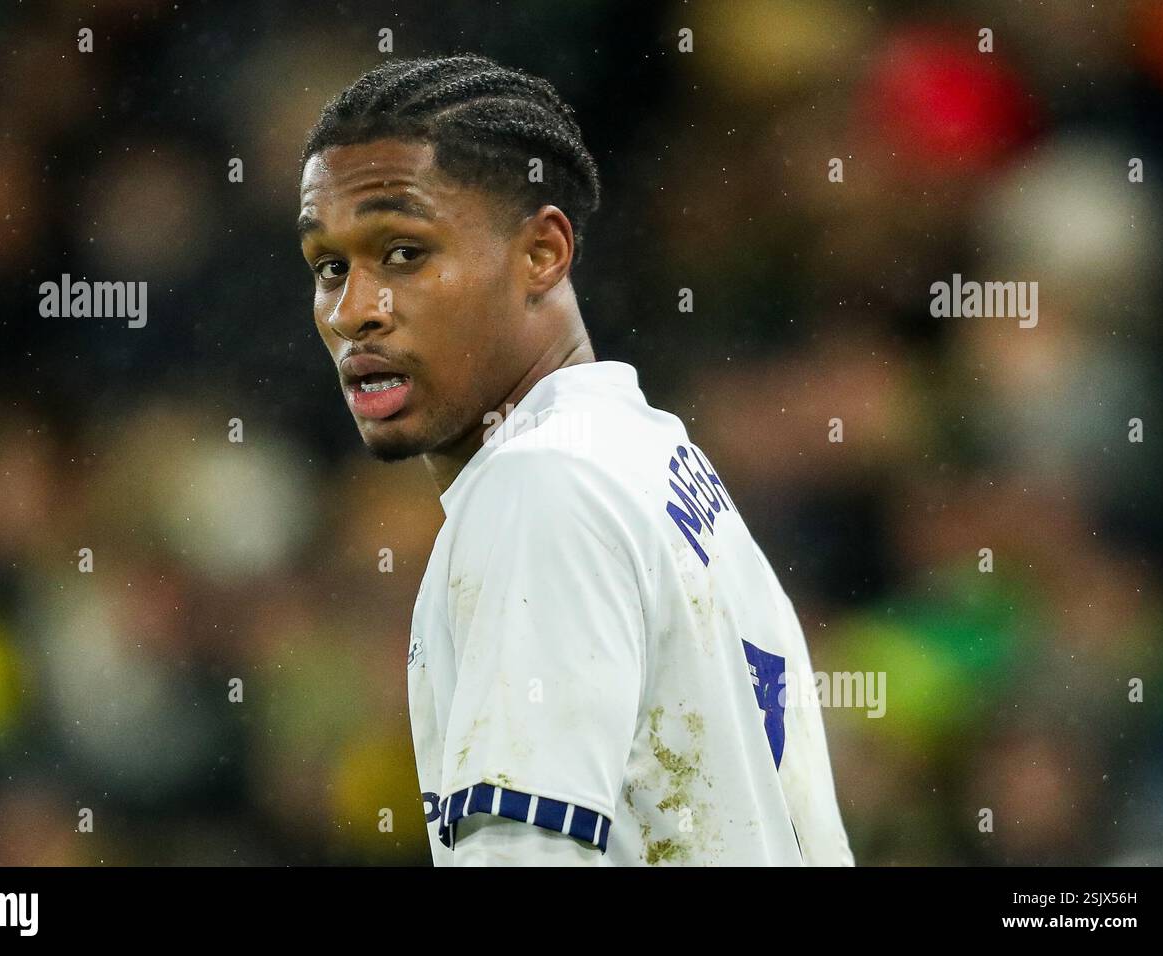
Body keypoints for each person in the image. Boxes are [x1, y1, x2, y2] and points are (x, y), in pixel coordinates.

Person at [297, 54, 853, 866]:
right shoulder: (654, 459)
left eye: (405, 253)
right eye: (330, 267)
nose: (353, 312)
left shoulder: (541, 488)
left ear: (543, 252)